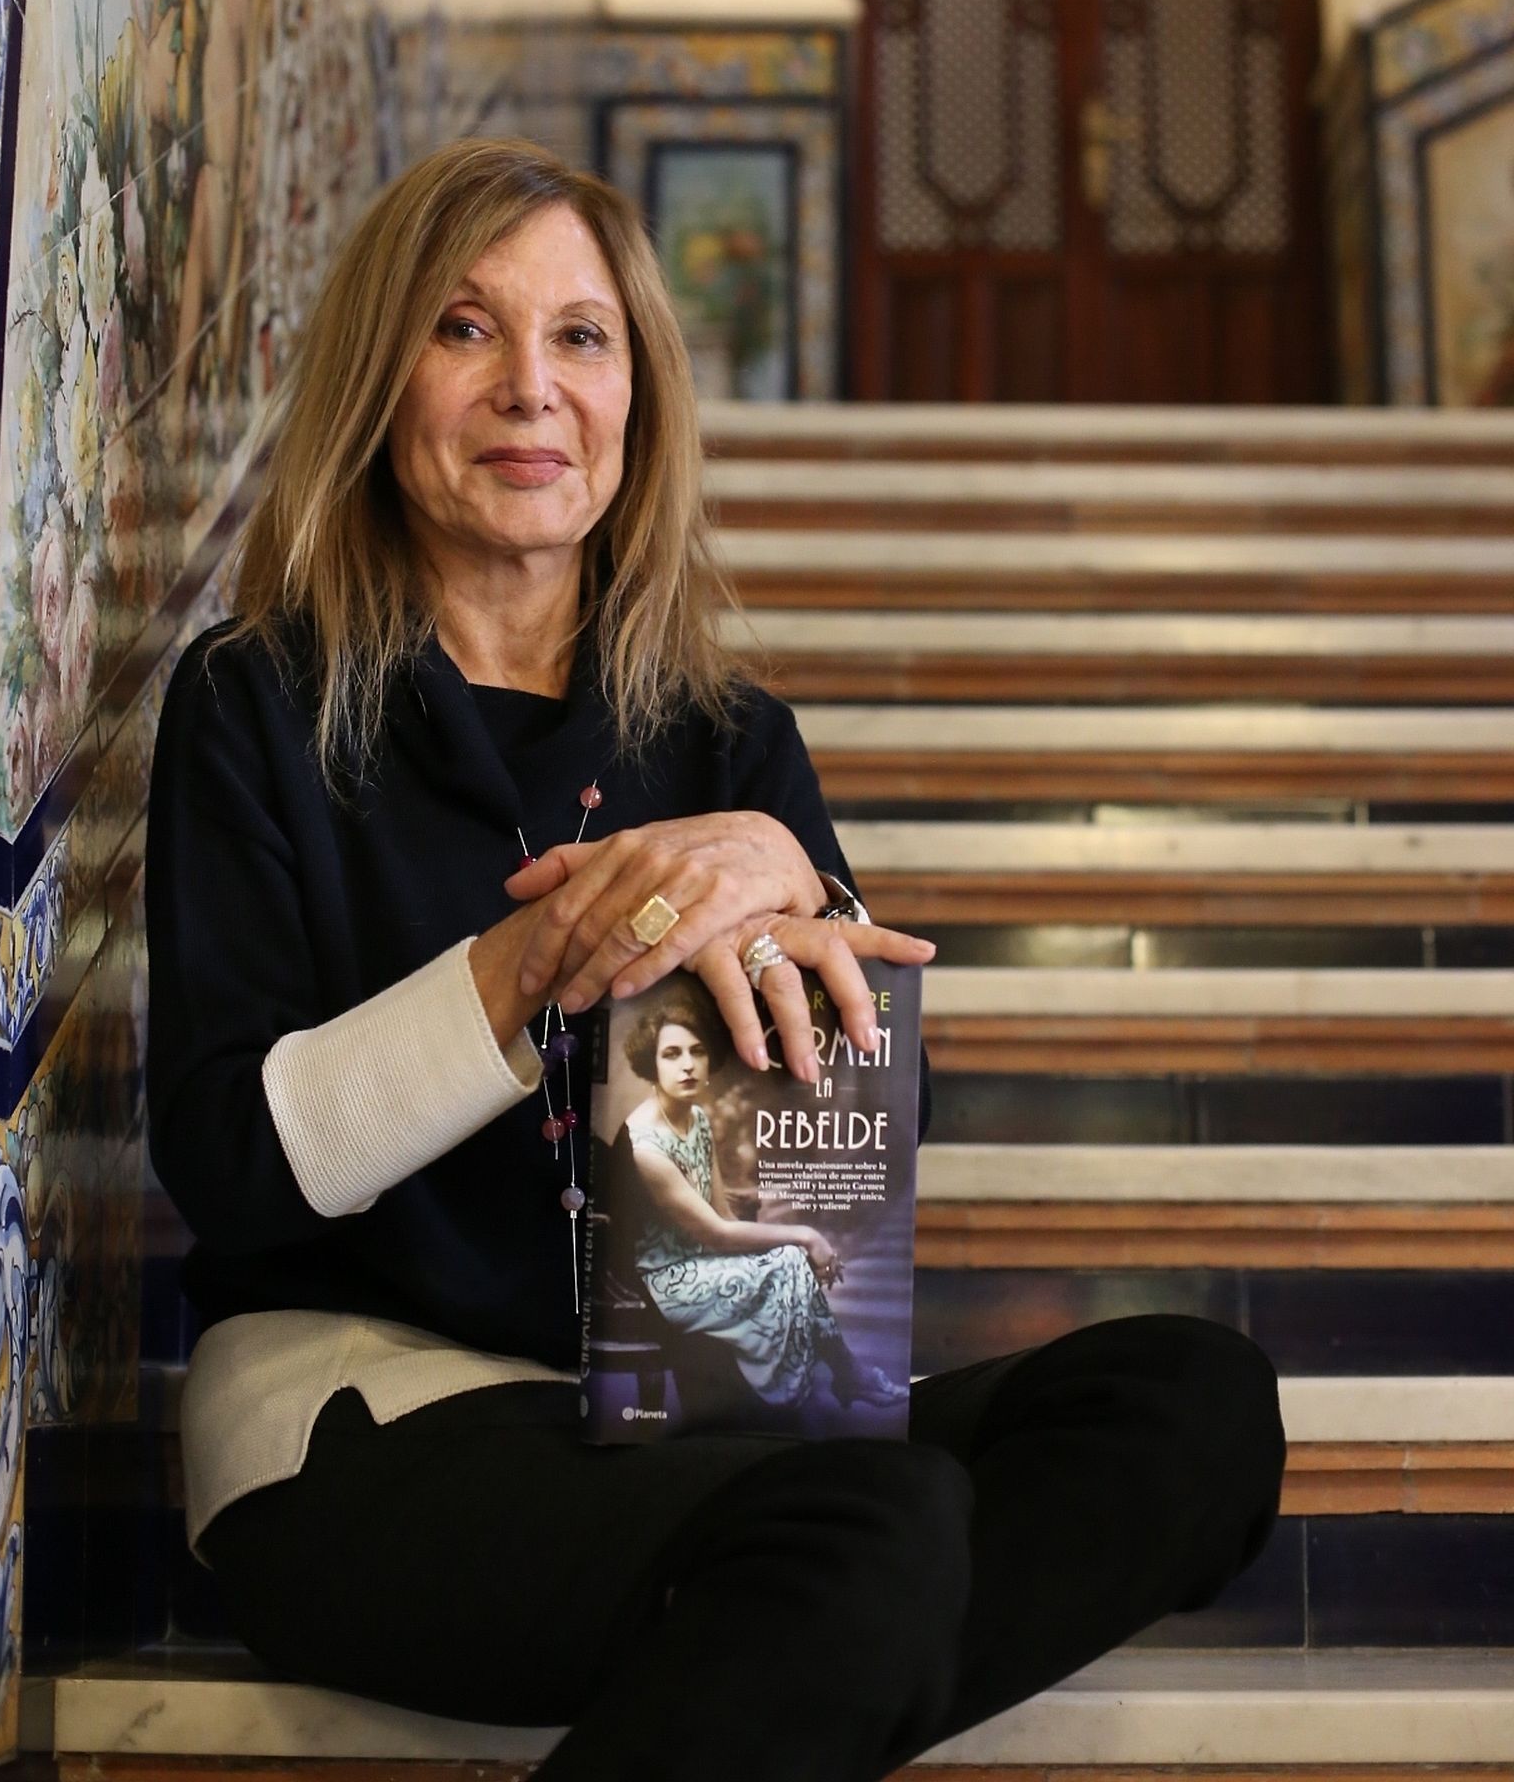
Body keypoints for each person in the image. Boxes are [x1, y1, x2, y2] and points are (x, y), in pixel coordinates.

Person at [145, 138, 1286, 1782]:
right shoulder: (256, 703)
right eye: (464, 329)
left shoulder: (730, 741)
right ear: (378, 382)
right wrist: (536, 957)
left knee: (1191, 1409)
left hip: (700, 1423)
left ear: (641, 394)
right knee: (865, 1531)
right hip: (361, 1427)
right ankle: (810, 1635)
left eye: (581, 337)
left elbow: (862, 1162)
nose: (530, 387)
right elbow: (235, 1165)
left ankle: (786, 1658)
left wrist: (797, 890)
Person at [622, 981, 897, 1414]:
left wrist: (787, 1244)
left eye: (697, 1052)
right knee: (789, 1257)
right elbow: (715, 1233)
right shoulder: (647, 1148)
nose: (688, 1065)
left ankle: (844, 1375)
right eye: (672, 1054)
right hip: (665, 1277)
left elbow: (720, 1208)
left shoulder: (695, 1117)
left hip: (699, 1256)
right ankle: (830, 1381)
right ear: (650, 1064)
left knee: (790, 1262)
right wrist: (804, 1236)